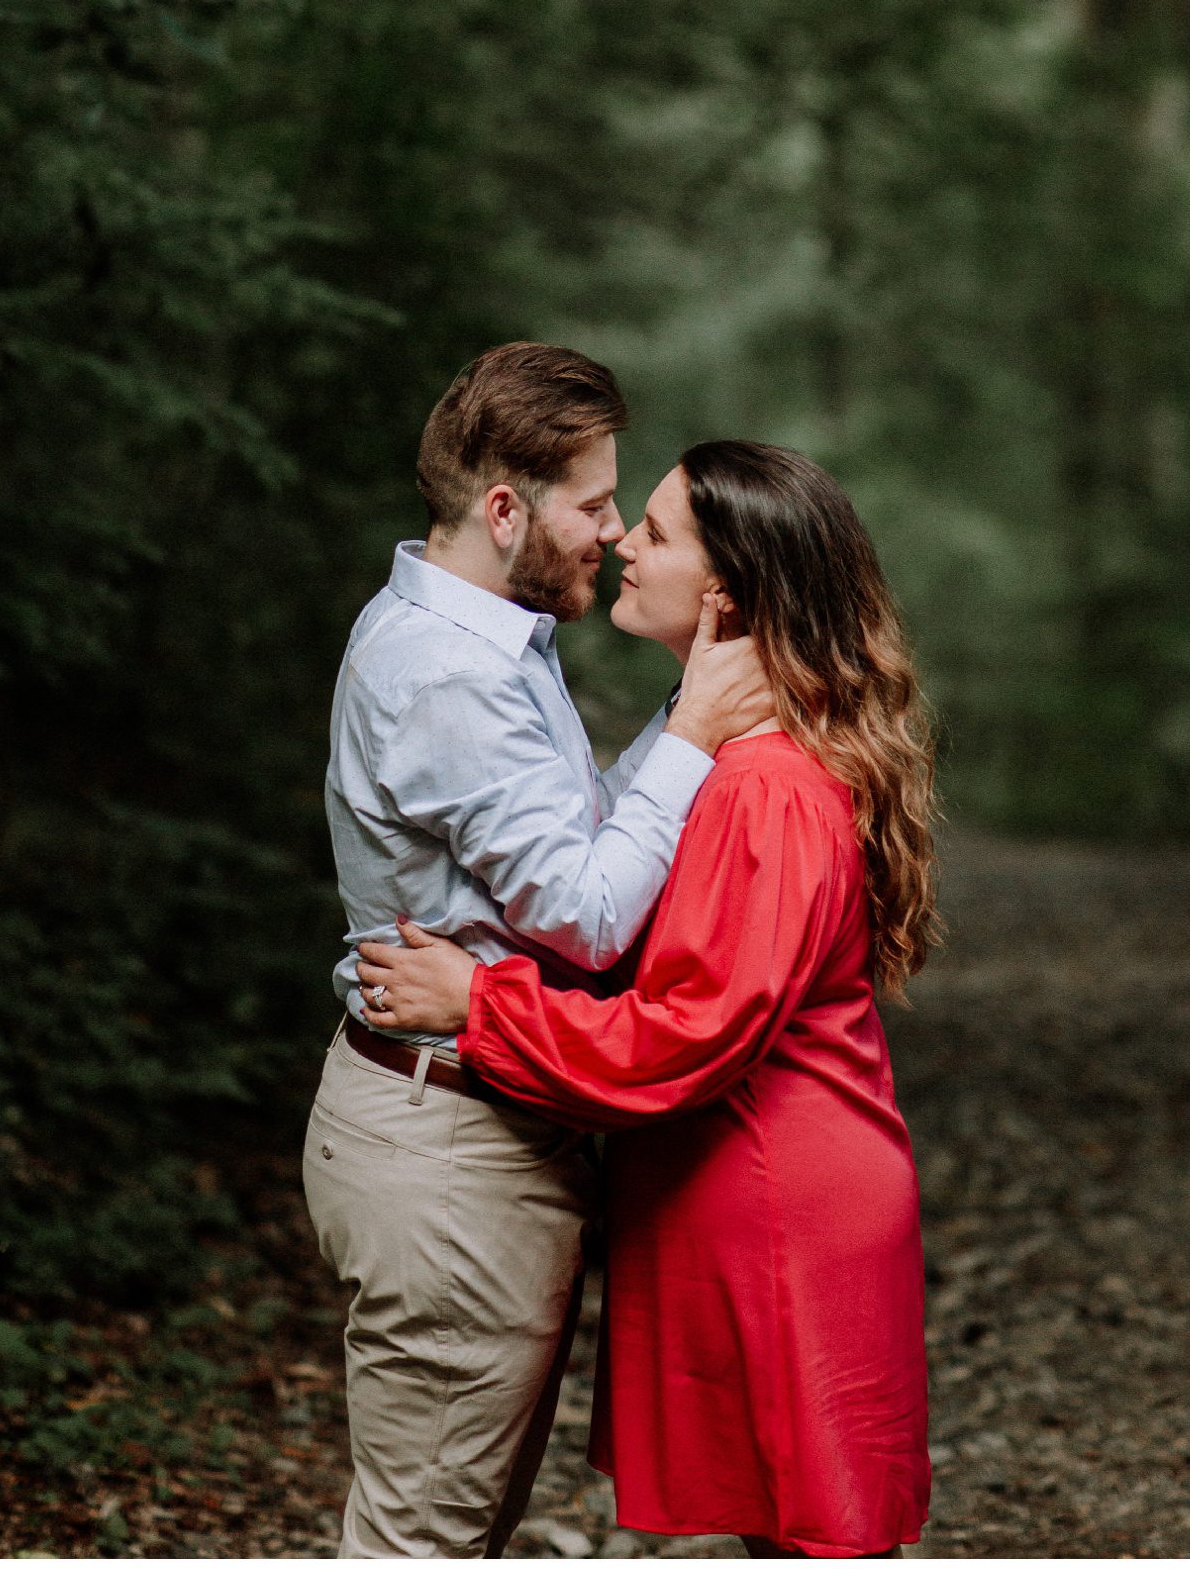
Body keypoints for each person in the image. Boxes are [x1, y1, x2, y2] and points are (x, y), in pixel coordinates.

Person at [360, 439, 938, 1563]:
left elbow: (687, 1031)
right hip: (760, 1184)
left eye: (658, 529)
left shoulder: (764, 788)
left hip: (781, 1202)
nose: (623, 536)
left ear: (724, 593)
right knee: (791, 1520)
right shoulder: (741, 756)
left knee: (814, 1530)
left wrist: (477, 1003)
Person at [305, 344, 776, 1560]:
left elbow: (573, 842)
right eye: (593, 501)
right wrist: (693, 735)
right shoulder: (451, 670)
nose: (612, 532)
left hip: (474, 1121)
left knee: (452, 1524)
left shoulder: (480, 630)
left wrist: (683, 731)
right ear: (503, 507)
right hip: (449, 1145)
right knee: (424, 1538)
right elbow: (589, 909)